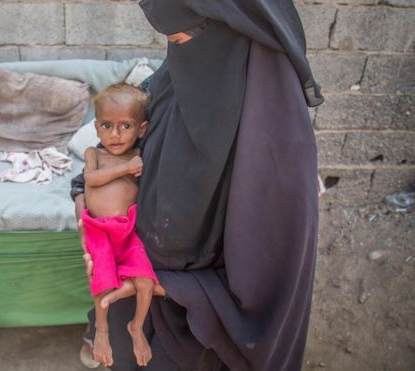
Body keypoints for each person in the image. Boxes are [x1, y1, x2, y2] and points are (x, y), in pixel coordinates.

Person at [74, 1, 324, 370]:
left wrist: (164, 285)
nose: (175, 53)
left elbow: (268, 286)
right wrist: (85, 214)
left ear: (232, 35)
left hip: (199, 332)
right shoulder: (167, 85)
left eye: (178, 37)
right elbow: (103, 158)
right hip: (132, 286)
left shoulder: (275, 150)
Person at [81, 83, 159, 368]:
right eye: (107, 125)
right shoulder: (95, 154)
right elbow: (91, 180)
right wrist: (126, 169)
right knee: (101, 277)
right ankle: (101, 330)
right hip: (99, 229)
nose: (115, 134)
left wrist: (135, 167)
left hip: (127, 230)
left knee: (145, 279)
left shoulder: (141, 156)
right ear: (96, 127)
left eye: (125, 126)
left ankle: (136, 326)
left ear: (141, 129)